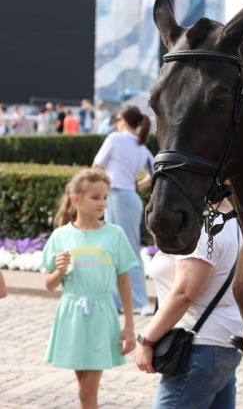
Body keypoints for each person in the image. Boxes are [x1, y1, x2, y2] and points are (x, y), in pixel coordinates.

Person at [135, 196, 243, 408]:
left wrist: (146, 340)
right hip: (219, 345)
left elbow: (185, 291)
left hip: (199, 348)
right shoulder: (226, 217)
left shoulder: (204, 227)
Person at [42, 169, 139, 409]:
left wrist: (129, 325)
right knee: (83, 388)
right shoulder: (60, 236)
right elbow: (49, 285)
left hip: (102, 315)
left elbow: (124, 280)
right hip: (72, 316)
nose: (103, 203)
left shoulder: (114, 234)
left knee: (87, 393)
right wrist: (59, 271)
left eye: (105, 197)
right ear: (76, 199)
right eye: (95, 197)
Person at [92, 105, 155, 315]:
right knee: (119, 248)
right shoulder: (141, 146)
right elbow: (155, 173)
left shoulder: (115, 139)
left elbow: (96, 166)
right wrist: (137, 186)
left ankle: (139, 301)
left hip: (119, 196)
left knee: (125, 249)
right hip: (128, 196)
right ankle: (121, 301)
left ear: (123, 120)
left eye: (117, 118)